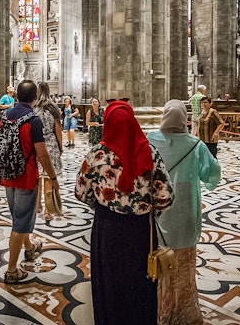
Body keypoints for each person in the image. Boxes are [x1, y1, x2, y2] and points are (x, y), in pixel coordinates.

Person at [75, 100, 174, 325]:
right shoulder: (149, 151)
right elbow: (166, 196)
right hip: (141, 230)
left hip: (107, 229)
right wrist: (149, 211)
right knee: (141, 281)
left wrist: (101, 205)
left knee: (109, 282)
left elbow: (81, 192)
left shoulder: (96, 156)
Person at [147, 99, 221, 324]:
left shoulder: (149, 140)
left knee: (157, 261)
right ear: (183, 118)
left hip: (156, 213)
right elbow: (212, 174)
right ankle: (182, 311)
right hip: (185, 212)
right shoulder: (195, 145)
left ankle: (157, 310)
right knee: (183, 267)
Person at [0, 80, 59, 284]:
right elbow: (42, 154)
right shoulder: (33, 120)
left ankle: (29, 248)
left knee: (19, 217)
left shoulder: (5, 115)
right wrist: (52, 177)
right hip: (26, 176)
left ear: (16, 95)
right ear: (35, 97)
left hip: (8, 174)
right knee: (20, 223)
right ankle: (11, 270)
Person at [33, 82, 63, 221]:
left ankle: (38, 205)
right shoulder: (53, 107)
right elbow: (57, 129)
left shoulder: (34, 107)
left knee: (38, 176)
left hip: (38, 144)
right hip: (51, 144)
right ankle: (47, 210)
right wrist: (60, 146)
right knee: (49, 178)